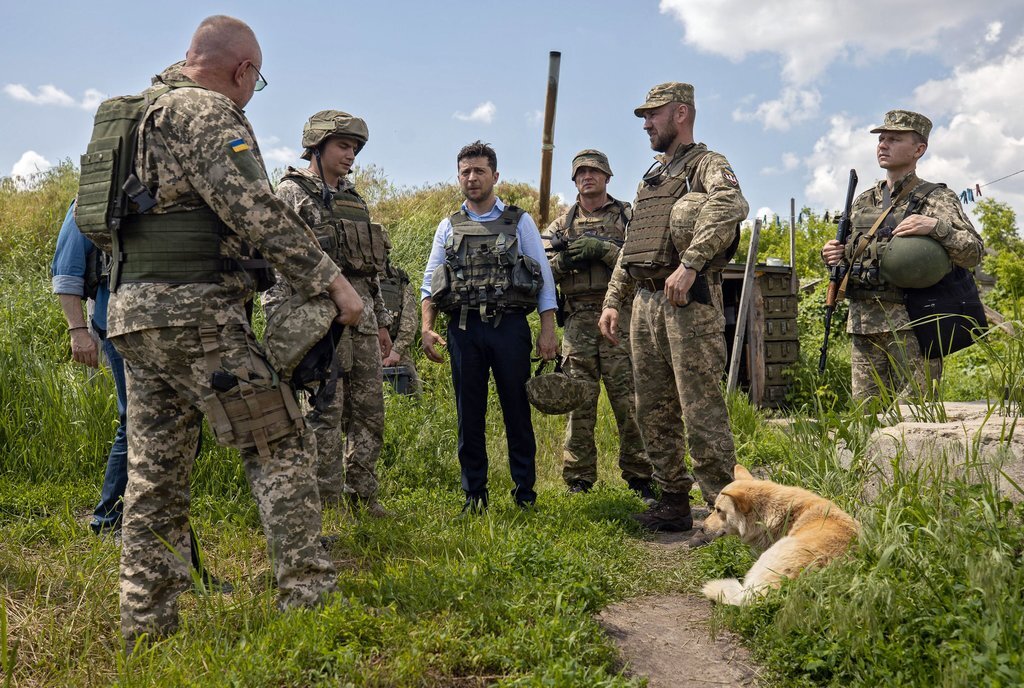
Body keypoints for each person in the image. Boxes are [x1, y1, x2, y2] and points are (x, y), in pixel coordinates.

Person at [80, 16, 363, 646]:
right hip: (198, 317)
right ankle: (311, 607)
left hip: (133, 317)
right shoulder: (205, 112)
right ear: (242, 71)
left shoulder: (142, 115)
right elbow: (255, 209)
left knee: (155, 476)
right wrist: (332, 283)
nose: (249, 94)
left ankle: (147, 630)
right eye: (253, 83)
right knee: (279, 445)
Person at [53, 202, 230, 591]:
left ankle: (126, 519)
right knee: (133, 421)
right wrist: (77, 330)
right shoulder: (97, 193)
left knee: (167, 425)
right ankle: (112, 520)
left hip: (182, 328)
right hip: (120, 326)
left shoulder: (173, 192)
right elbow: (67, 270)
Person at [599, 82, 748, 536]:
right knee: (652, 408)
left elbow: (731, 205)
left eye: (653, 115)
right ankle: (672, 500)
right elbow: (633, 244)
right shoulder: (652, 176)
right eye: (644, 117)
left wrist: (690, 264)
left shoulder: (708, 164)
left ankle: (723, 512)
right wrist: (613, 300)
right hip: (644, 303)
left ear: (681, 113)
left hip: (688, 302)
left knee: (701, 407)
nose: (646, 124)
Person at [264, 110, 393, 517]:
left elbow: (372, 269)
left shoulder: (354, 200)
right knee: (323, 416)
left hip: (365, 321)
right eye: (342, 146)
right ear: (316, 147)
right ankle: (326, 506)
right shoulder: (291, 194)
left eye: (354, 148)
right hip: (319, 325)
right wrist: (287, 328)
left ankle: (363, 496)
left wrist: (384, 322)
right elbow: (279, 264)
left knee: (369, 414)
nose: (350, 154)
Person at [420, 141, 558, 512]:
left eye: (479, 170)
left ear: (495, 176)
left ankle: (524, 493)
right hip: (464, 331)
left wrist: (548, 331)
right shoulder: (448, 226)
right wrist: (426, 327)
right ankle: (474, 495)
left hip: (509, 327)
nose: (472, 177)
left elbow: (543, 279)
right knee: (469, 414)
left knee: (517, 410)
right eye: (465, 171)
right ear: (459, 177)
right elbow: (430, 283)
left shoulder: (519, 221)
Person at [821, 110, 984, 401]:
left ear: (919, 149)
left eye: (894, 139)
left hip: (914, 326)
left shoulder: (935, 197)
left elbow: (973, 252)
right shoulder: (864, 199)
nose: (883, 145)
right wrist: (835, 256)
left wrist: (936, 227)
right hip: (863, 324)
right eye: (881, 139)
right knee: (865, 418)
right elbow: (858, 257)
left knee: (913, 418)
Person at [542, 149, 654, 502]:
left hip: (621, 315)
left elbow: (640, 258)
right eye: (581, 173)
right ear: (574, 181)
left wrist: (602, 250)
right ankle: (578, 478)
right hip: (578, 319)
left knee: (630, 401)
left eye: (594, 171)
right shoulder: (561, 225)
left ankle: (641, 477)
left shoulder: (627, 216)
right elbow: (542, 274)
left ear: (607, 177)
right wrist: (567, 259)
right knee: (579, 400)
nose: (587, 177)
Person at [380, 255, 423, 395]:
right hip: (362, 348)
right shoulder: (354, 278)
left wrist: (396, 351)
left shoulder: (399, 278)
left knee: (413, 396)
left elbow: (409, 320)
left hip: (396, 349)